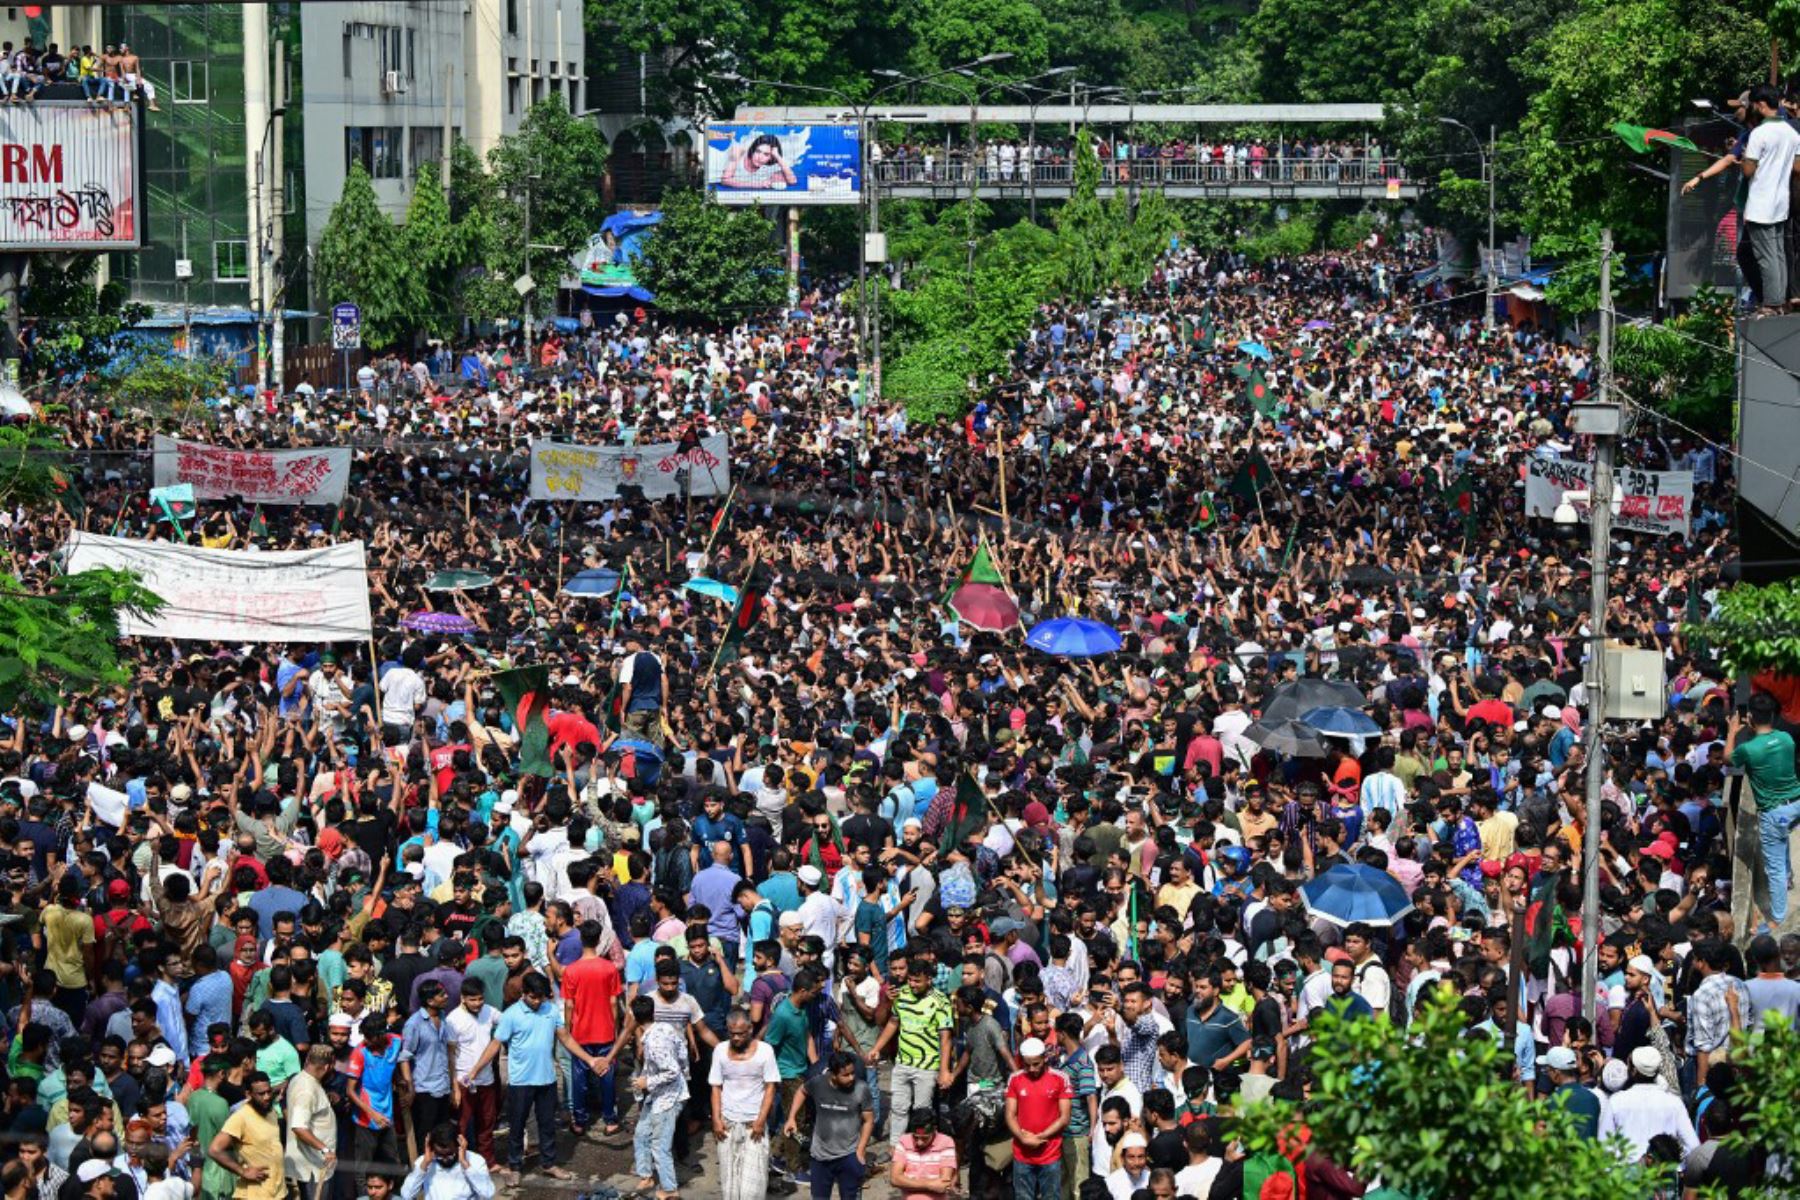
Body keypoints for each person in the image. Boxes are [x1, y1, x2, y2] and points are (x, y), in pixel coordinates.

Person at [465, 974, 602, 1185]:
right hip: (521, 1082)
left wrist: (590, 1060)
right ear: (523, 993)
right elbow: (495, 1044)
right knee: (517, 1126)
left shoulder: (551, 1010)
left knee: (547, 1125)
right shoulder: (511, 1015)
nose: (537, 1001)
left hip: (547, 1079)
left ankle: (549, 1164)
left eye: (541, 997)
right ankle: (515, 1165)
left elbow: (565, 1037)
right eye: (532, 997)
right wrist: (475, 1070)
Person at [1729, 691, 1800, 923]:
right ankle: (1789, 877)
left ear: (1749, 717)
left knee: (1775, 867)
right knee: (1784, 835)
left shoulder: (1749, 749)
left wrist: (1732, 731)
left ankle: (1779, 918)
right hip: (1796, 803)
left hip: (1774, 812)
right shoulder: (1786, 739)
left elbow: (1730, 758)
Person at [709, 1008, 780, 1200]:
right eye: (732, 1033)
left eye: (740, 1033)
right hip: (727, 1124)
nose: (736, 1038)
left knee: (752, 1187)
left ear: (750, 1029)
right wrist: (716, 1119)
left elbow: (770, 1087)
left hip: (753, 1125)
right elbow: (716, 1086)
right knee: (729, 1183)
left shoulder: (765, 1051)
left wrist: (760, 1120)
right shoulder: (720, 1051)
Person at [783, 1051, 874, 1200]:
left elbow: (868, 1120)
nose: (851, 1078)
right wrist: (791, 1117)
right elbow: (802, 1091)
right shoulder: (818, 1083)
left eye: (853, 1073)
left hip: (849, 1155)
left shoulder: (861, 1088)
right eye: (846, 1075)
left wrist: (861, 1149)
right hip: (820, 1157)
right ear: (833, 1075)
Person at [628, 994, 687, 1200]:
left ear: (634, 1018)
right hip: (658, 1095)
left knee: (659, 1145)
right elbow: (682, 1053)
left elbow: (672, 1071)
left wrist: (647, 1082)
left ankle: (670, 1190)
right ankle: (646, 1176)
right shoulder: (666, 1029)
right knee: (641, 1134)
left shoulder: (655, 1042)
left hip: (669, 1098)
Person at [1004, 1037, 1073, 1200]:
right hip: (1022, 1153)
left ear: (1045, 1058)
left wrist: (1039, 1138)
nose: (1032, 1069)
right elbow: (1010, 1114)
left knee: (1051, 1196)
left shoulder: (1060, 1078)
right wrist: (1022, 1138)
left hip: (1050, 1153)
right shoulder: (1015, 1079)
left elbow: (1064, 1118)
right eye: (1027, 1065)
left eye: (1036, 1064)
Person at [205, 1072, 283, 1200]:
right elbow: (214, 1149)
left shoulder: (271, 1112)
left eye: (269, 1092)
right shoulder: (241, 1117)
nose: (267, 1097)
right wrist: (242, 1171)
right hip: (253, 1194)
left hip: (277, 1191)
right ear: (248, 1094)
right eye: (261, 1094)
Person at [283, 1047, 338, 1200]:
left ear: (307, 1060)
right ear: (328, 1067)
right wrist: (325, 1149)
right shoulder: (307, 1090)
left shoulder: (300, 1079)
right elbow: (299, 1127)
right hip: (312, 1168)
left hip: (311, 1165)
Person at [397, 1122, 494, 1200]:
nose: (444, 1159)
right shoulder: (425, 1162)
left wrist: (465, 1164)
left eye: (450, 1154)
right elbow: (406, 1195)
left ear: (459, 1145)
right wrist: (424, 1165)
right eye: (439, 1155)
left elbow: (487, 1194)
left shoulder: (475, 1160)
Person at [888, 1109, 957, 1200]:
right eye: (915, 1137)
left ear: (934, 1130)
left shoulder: (946, 1142)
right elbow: (895, 1179)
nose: (919, 1142)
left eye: (925, 1138)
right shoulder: (904, 1141)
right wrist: (929, 1185)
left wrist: (907, 1182)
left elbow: (943, 1184)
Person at [1542, 1046, 1602, 1140]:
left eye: (1548, 1070)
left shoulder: (1552, 1101)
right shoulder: (1593, 1098)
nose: (1547, 1074)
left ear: (1556, 1073)